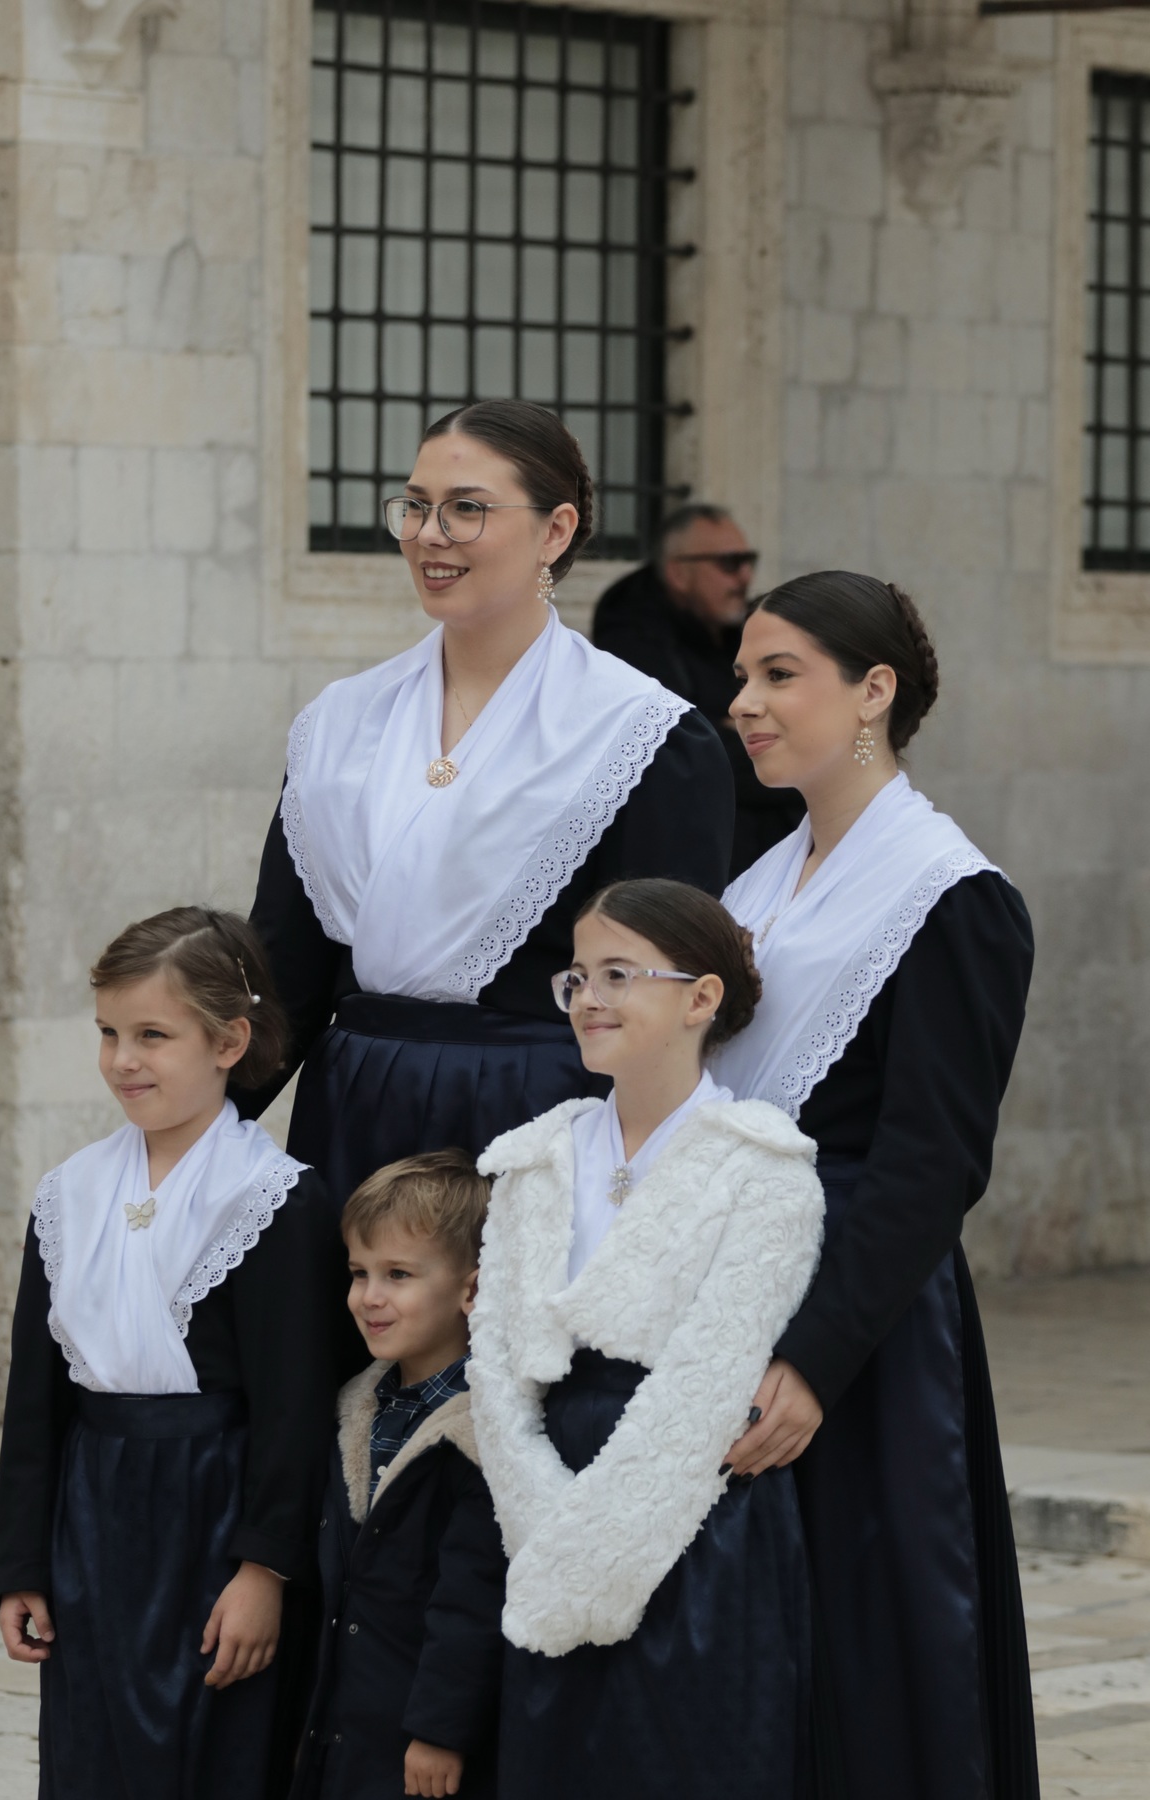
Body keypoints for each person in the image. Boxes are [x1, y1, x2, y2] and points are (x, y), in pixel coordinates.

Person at [236, 401, 734, 1352]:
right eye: (416, 506)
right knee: (349, 1403)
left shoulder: (643, 737)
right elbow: (284, 974)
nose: (431, 535)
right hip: (356, 1115)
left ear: (556, 530)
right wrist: (192, 1143)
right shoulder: (340, 726)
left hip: (541, 1134)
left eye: (467, 508)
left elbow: (660, 1005)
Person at [713, 571, 1039, 1800]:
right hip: (729, 1283)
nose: (744, 703)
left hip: (861, 1324)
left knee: (876, 1641)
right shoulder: (754, 884)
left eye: (778, 675)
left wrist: (814, 1360)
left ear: (874, 692)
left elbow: (933, 1161)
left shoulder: (954, 897)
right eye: (741, 676)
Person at [469, 878, 825, 1799]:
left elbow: (708, 1384)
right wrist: (545, 1528)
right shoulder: (535, 1158)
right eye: (577, 977)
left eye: (619, 974)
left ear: (701, 997)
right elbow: (496, 1369)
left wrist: (590, 1554)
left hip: (698, 1519)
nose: (589, 997)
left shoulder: (764, 1170)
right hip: (544, 1508)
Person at [0, 908, 339, 1800]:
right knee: (91, 1750)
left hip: (213, 1516)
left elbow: (294, 1410)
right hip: (92, 1515)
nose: (123, 1060)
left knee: (211, 1753)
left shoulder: (271, 1200)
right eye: (108, 1033)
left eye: (152, 1035)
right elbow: (36, 1400)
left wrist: (264, 1570)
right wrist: (21, 1566)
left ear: (228, 1042)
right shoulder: (69, 1194)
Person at [291, 1150, 506, 1800]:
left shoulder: (483, 1433)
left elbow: (472, 1598)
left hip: (425, 1743)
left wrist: (440, 1730)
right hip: (342, 1728)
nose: (369, 1297)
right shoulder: (355, 1407)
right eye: (359, 1273)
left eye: (399, 1274)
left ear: (472, 1290)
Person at [591, 503, 803, 878]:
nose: (745, 576)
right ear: (679, 573)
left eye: (747, 561)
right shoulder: (634, 639)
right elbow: (683, 753)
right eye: (729, 563)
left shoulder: (743, 630)